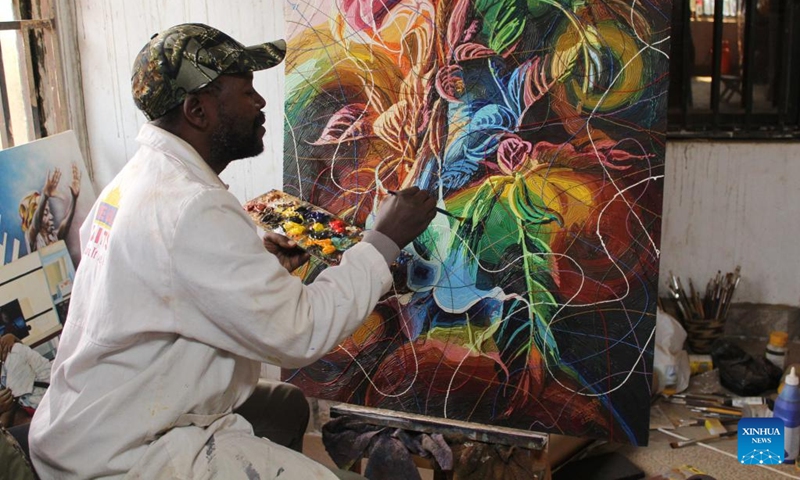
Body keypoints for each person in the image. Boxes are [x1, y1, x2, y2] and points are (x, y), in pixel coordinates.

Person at [28, 23, 436, 479]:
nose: (261, 103)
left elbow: (167, 279)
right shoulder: (190, 208)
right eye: (246, 92)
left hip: (95, 418)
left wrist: (249, 267)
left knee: (284, 406)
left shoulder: (138, 182)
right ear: (197, 110)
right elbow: (301, 332)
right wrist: (382, 242)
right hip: (125, 455)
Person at [19, 163, 82, 254]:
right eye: (45, 213)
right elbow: (35, 224)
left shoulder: (52, 236)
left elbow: (64, 226)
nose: (51, 217)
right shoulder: (32, 237)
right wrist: (44, 196)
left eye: (49, 212)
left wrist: (74, 199)